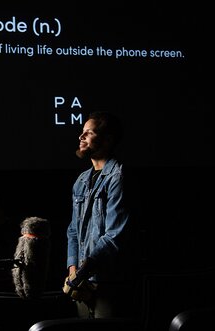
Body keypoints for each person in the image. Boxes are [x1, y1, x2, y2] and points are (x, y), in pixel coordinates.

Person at [63, 111, 134, 319]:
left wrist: (82, 273)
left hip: (110, 284)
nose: (80, 137)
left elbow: (115, 236)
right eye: (81, 132)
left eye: (88, 133)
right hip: (82, 284)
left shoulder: (119, 177)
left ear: (108, 139)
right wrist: (73, 269)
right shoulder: (81, 180)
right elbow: (73, 230)